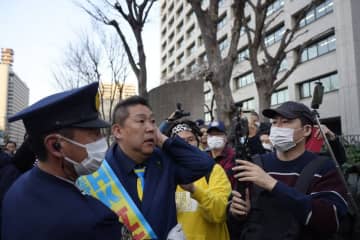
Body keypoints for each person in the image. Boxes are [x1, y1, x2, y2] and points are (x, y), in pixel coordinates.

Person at [78, 96, 214, 239]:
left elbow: (204, 164)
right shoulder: (99, 173)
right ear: (118, 131)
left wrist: (163, 140)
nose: (150, 128)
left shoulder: (164, 161)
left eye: (153, 122)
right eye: (141, 121)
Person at [1, 82, 123, 240]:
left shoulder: (16, 189)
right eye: (94, 133)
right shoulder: (94, 222)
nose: (101, 141)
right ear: (55, 146)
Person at [229, 101, 349, 239]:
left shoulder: (324, 168)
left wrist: (272, 184)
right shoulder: (255, 163)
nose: (277, 128)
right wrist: (237, 213)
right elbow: (235, 218)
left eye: (285, 122)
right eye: (274, 123)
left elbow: (330, 220)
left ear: (307, 130)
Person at [167, 120, 231, 240]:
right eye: (179, 142)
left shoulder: (213, 170)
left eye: (190, 139)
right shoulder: (165, 175)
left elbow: (219, 213)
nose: (185, 145)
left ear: (198, 143)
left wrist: (194, 190)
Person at [207, 121, 237, 189]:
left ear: (225, 138)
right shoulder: (203, 156)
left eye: (218, 134)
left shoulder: (233, 157)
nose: (214, 137)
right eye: (211, 135)